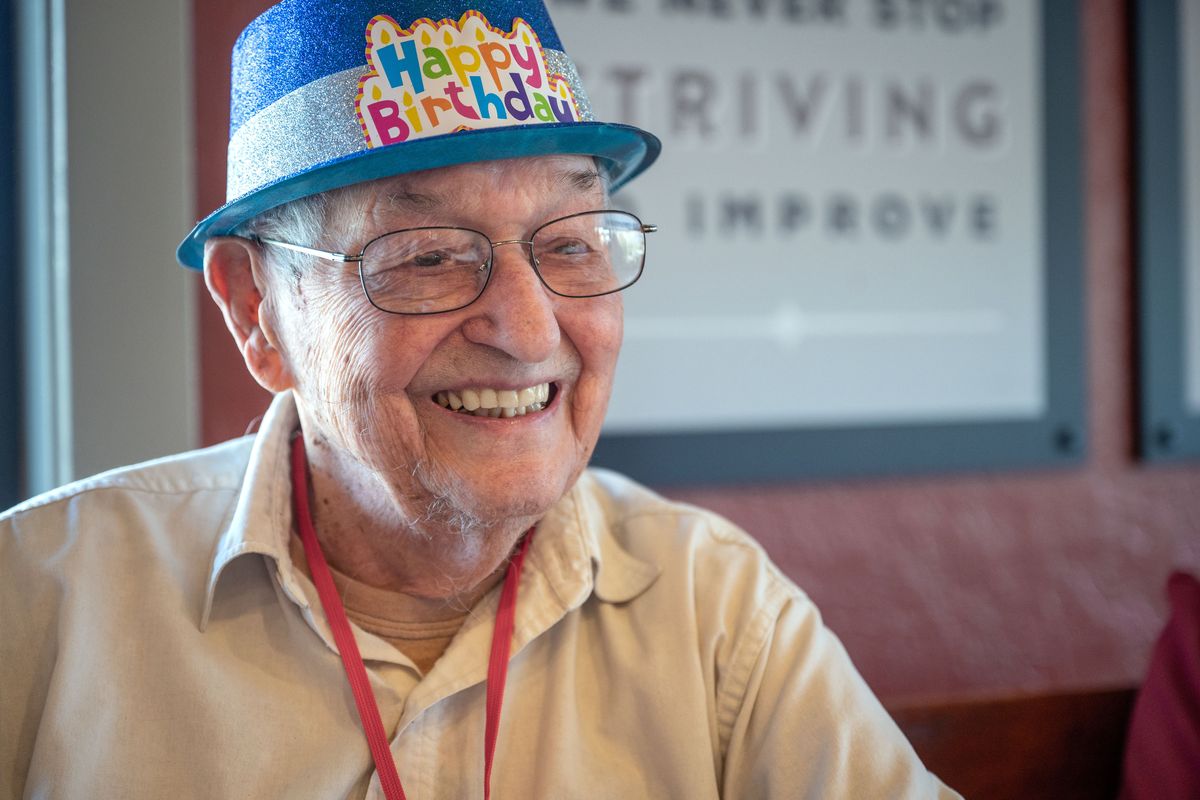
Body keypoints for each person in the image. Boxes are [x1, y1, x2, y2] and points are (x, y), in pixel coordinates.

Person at [0, 1, 960, 797]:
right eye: (426, 257)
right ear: (257, 310)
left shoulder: (713, 609)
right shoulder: (40, 605)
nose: (531, 331)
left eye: (572, 243)